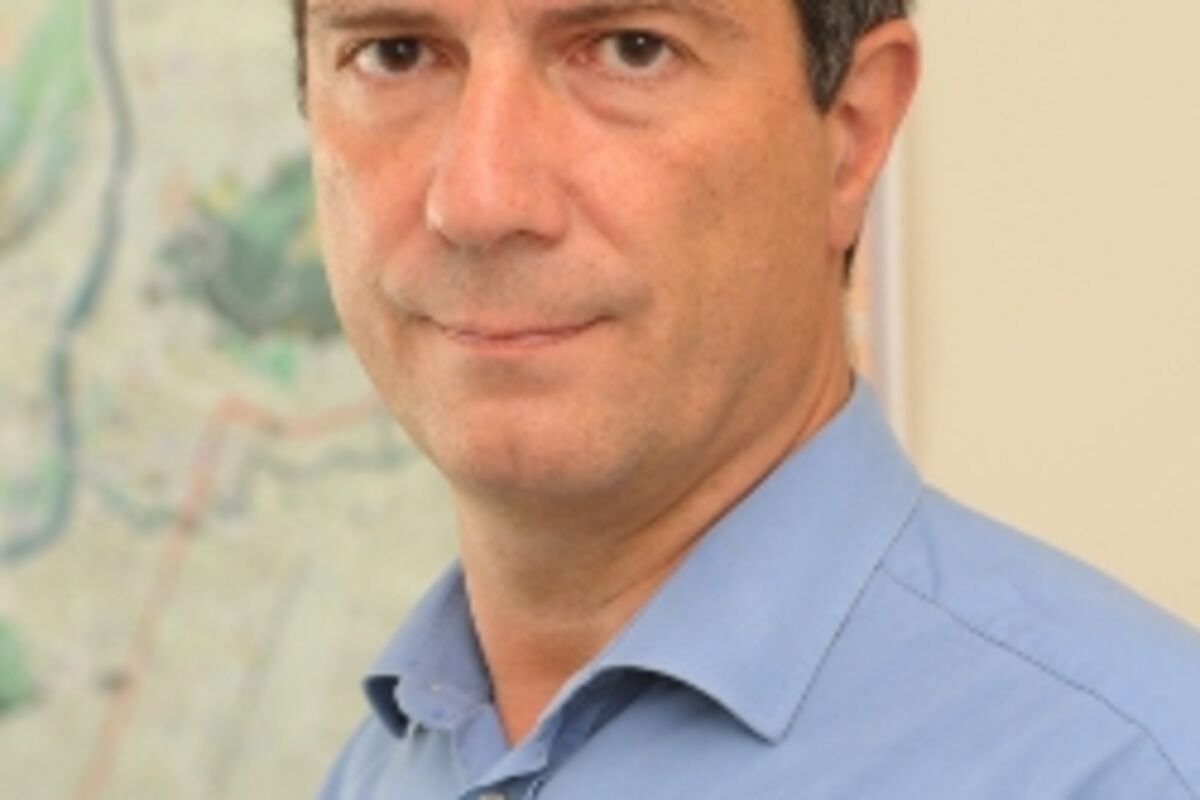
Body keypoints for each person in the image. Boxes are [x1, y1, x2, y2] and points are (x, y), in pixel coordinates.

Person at [295, 0, 1200, 797]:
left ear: (852, 133)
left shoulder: (1137, 770)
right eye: (394, 53)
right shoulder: (379, 772)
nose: (479, 201)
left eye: (632, 48)